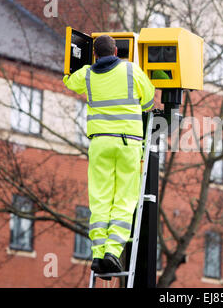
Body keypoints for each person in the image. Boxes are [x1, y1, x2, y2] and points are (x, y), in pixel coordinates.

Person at [63, 35, 155, 276]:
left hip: (100, 143)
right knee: (124, 198)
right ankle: (113, 251)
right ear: (116, 50)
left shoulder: (87, 74)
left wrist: (72, 65)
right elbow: (149, 99)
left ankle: (96, 253)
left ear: (94, 54)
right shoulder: (131, 70)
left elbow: (69, 81)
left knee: (100, 199)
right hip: (128, 143)